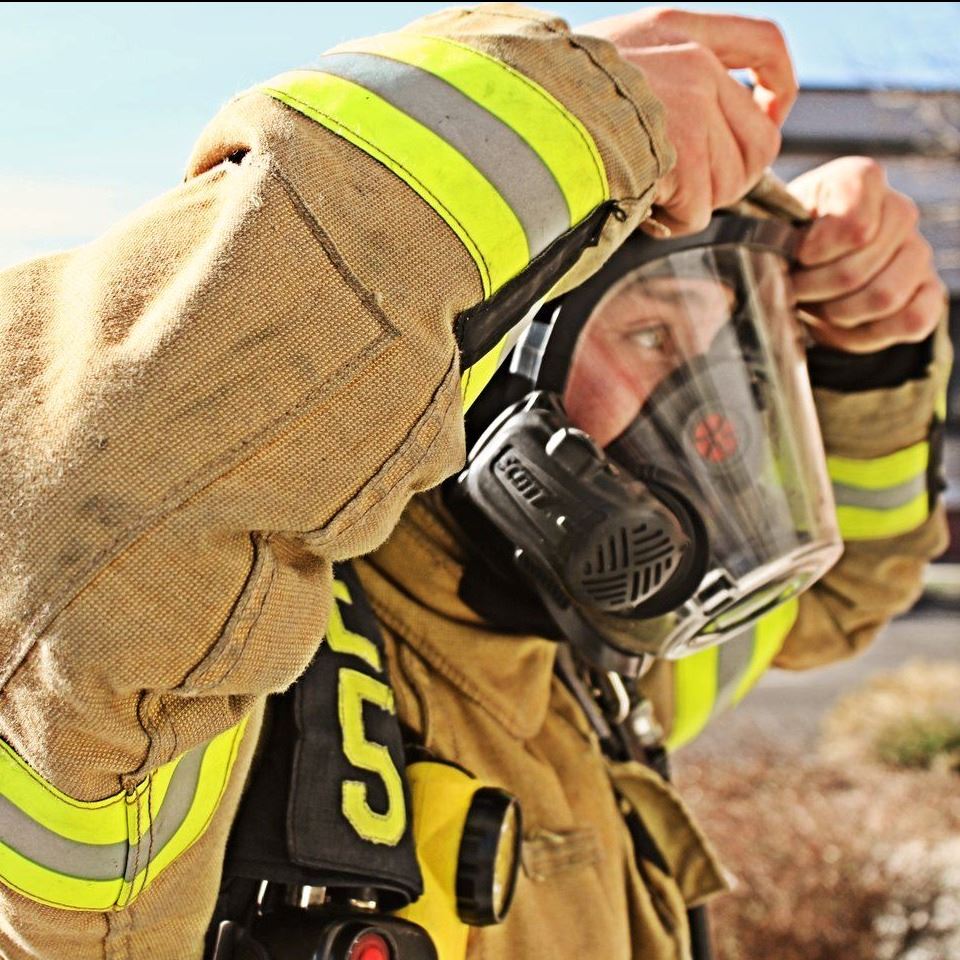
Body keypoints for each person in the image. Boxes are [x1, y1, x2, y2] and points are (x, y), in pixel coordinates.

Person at [0, 4, 947, 959]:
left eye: (730, 356)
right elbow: (76, 518)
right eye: (655, 337)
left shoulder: (587, 655)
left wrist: (867, 360)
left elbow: (837, 599)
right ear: (505, 386)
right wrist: (563, 115)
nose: (703, 426)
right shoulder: (222, 670)